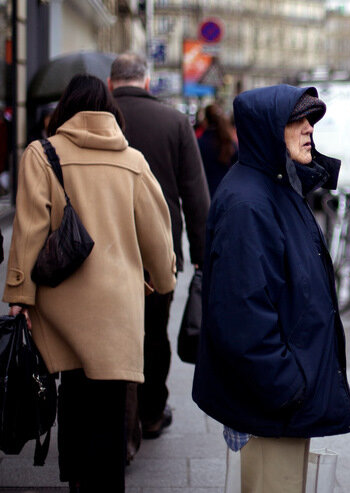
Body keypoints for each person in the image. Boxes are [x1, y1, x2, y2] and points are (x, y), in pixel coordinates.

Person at [3, 73, 176, 491]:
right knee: (112, 408)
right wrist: (163, 280)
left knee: (75, 397)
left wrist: (19, 295)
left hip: (64, 306)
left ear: (65, 108)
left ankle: (77, 478)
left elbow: (29, 229)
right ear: (110, 112)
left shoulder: (41, 154)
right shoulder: (132, 160)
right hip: (118, 307)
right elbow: (157, 234)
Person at [192, 85, 350, 493]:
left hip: (280, 406)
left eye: (311, 121)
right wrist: (289, 387)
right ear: (267, 129)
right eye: (296, 120)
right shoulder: (249, 203)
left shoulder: (277, 188)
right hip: (270, 407)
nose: (308, 130)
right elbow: (240, 316)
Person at [109, 53, 210, 439]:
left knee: (111, 334)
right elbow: (194, 194)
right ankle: (151, 413)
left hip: (104, 248)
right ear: (148, 82)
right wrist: (202, 255)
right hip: (159, 252)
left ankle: (117, 415)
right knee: (154, 334)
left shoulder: (99, 117)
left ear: (109, 84)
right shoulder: (173, 121)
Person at [197, 103, 238, 196]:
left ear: (205, 120)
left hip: (205, 192)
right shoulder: (229, 142)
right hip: (226, 192)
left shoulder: (200, 143)